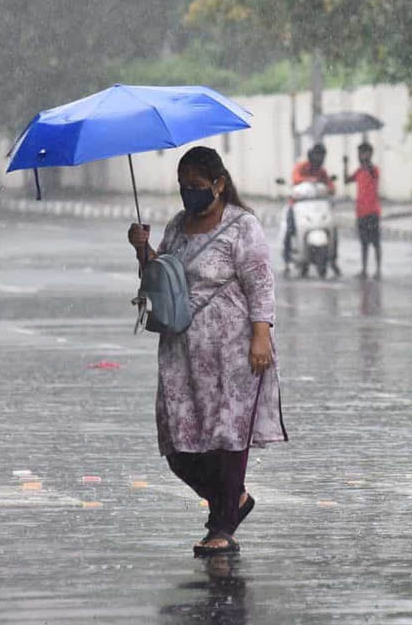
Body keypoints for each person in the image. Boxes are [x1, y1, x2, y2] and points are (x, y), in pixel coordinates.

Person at [127, 146, 287, 556]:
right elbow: (161, 278)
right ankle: (232, 500)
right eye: (183, 187)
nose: (188, 194)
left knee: (228, 440)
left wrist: (261, 335)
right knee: (180, 448)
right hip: (182, 353)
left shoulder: (242, 226)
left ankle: (222, 528)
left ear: (219, 184)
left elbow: (260, 283)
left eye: (196, 186)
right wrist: (143, 251)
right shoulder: (178, 227)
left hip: (232, 354)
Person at [283, 142, 339, 275]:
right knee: (290, 229)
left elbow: (331, 187)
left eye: (321, 156)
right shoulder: (302, 167)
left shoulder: (322, 172)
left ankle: (333, 259)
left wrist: (329, 188)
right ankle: (287, 258)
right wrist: (309, 179)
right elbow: (296, 178)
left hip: (318, 208)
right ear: (311, 155)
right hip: (298, 205)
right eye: (317, 155)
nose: (319, 159)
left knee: (334, 231)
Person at [343, 141, 381, 279]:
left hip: (372, 212)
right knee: (364, 242)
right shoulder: (359, 171)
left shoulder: (373, 170)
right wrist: (345, 164)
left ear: (370, 154)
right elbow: (346, 180)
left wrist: (366, 163)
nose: (361, 156)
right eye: (360, 153)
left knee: (375, 242)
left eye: (364, 153)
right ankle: (364, 270)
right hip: (361, 212)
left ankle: (378, 270)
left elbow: (372, 172)